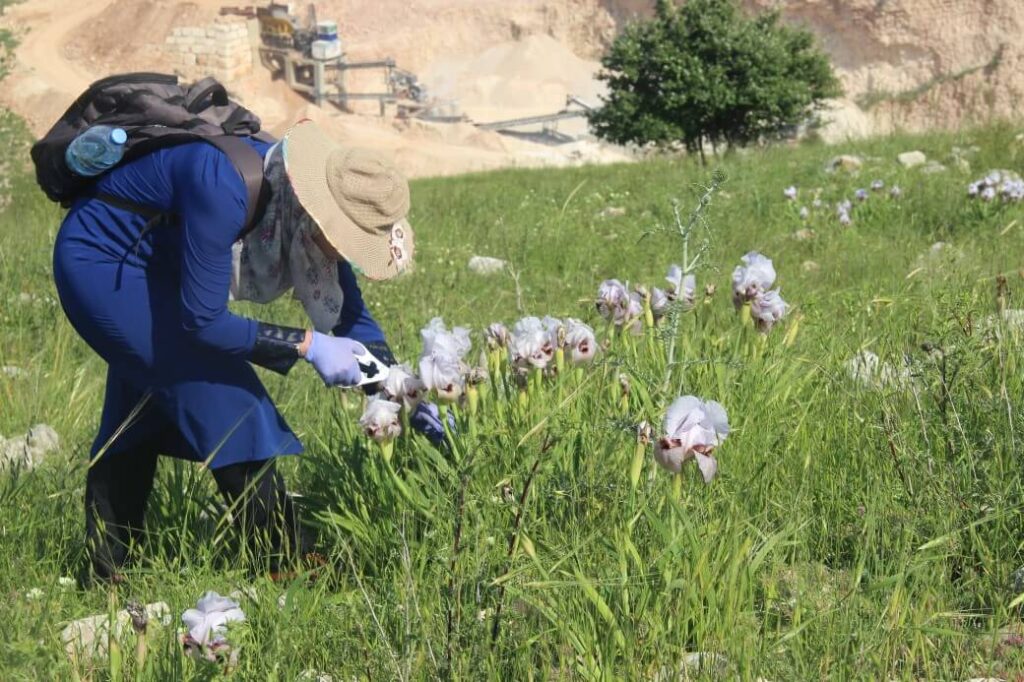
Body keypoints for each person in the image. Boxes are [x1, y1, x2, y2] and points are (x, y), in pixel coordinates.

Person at [53, 120, 443, 582]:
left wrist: (403, 390)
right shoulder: (224, 185)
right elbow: (203, 322)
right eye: (348, 240)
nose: (346, 254)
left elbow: (349, 317)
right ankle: (285, 562)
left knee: (140, 407)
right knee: (230, 398)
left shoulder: (301, 209)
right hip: (106, 263)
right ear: (320, 210)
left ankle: (108, 571)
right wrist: (305, 344)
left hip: (163, 267)